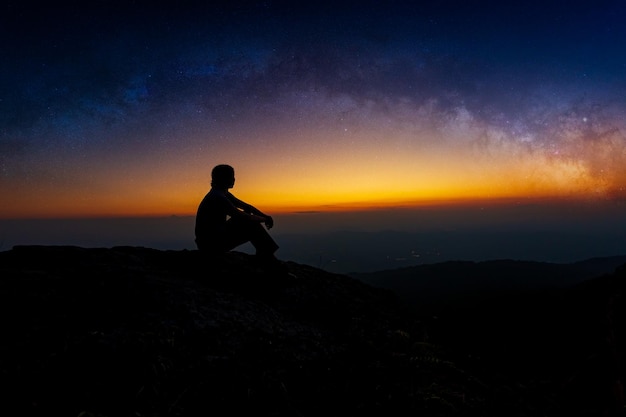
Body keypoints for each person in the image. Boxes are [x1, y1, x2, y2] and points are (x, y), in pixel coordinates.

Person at [195, 164, 281, 266]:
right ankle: (267, 256)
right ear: (223, 178)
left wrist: (265, 216)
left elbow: (246, 207)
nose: (234, 179)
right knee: (250, 223)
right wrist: (264, 219)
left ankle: (265, 254)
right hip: (210, 244)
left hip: (211, 239)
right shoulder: (217, 197)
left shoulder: (222, 193)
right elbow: (241, 216)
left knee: (248, 219)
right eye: (231, 176)